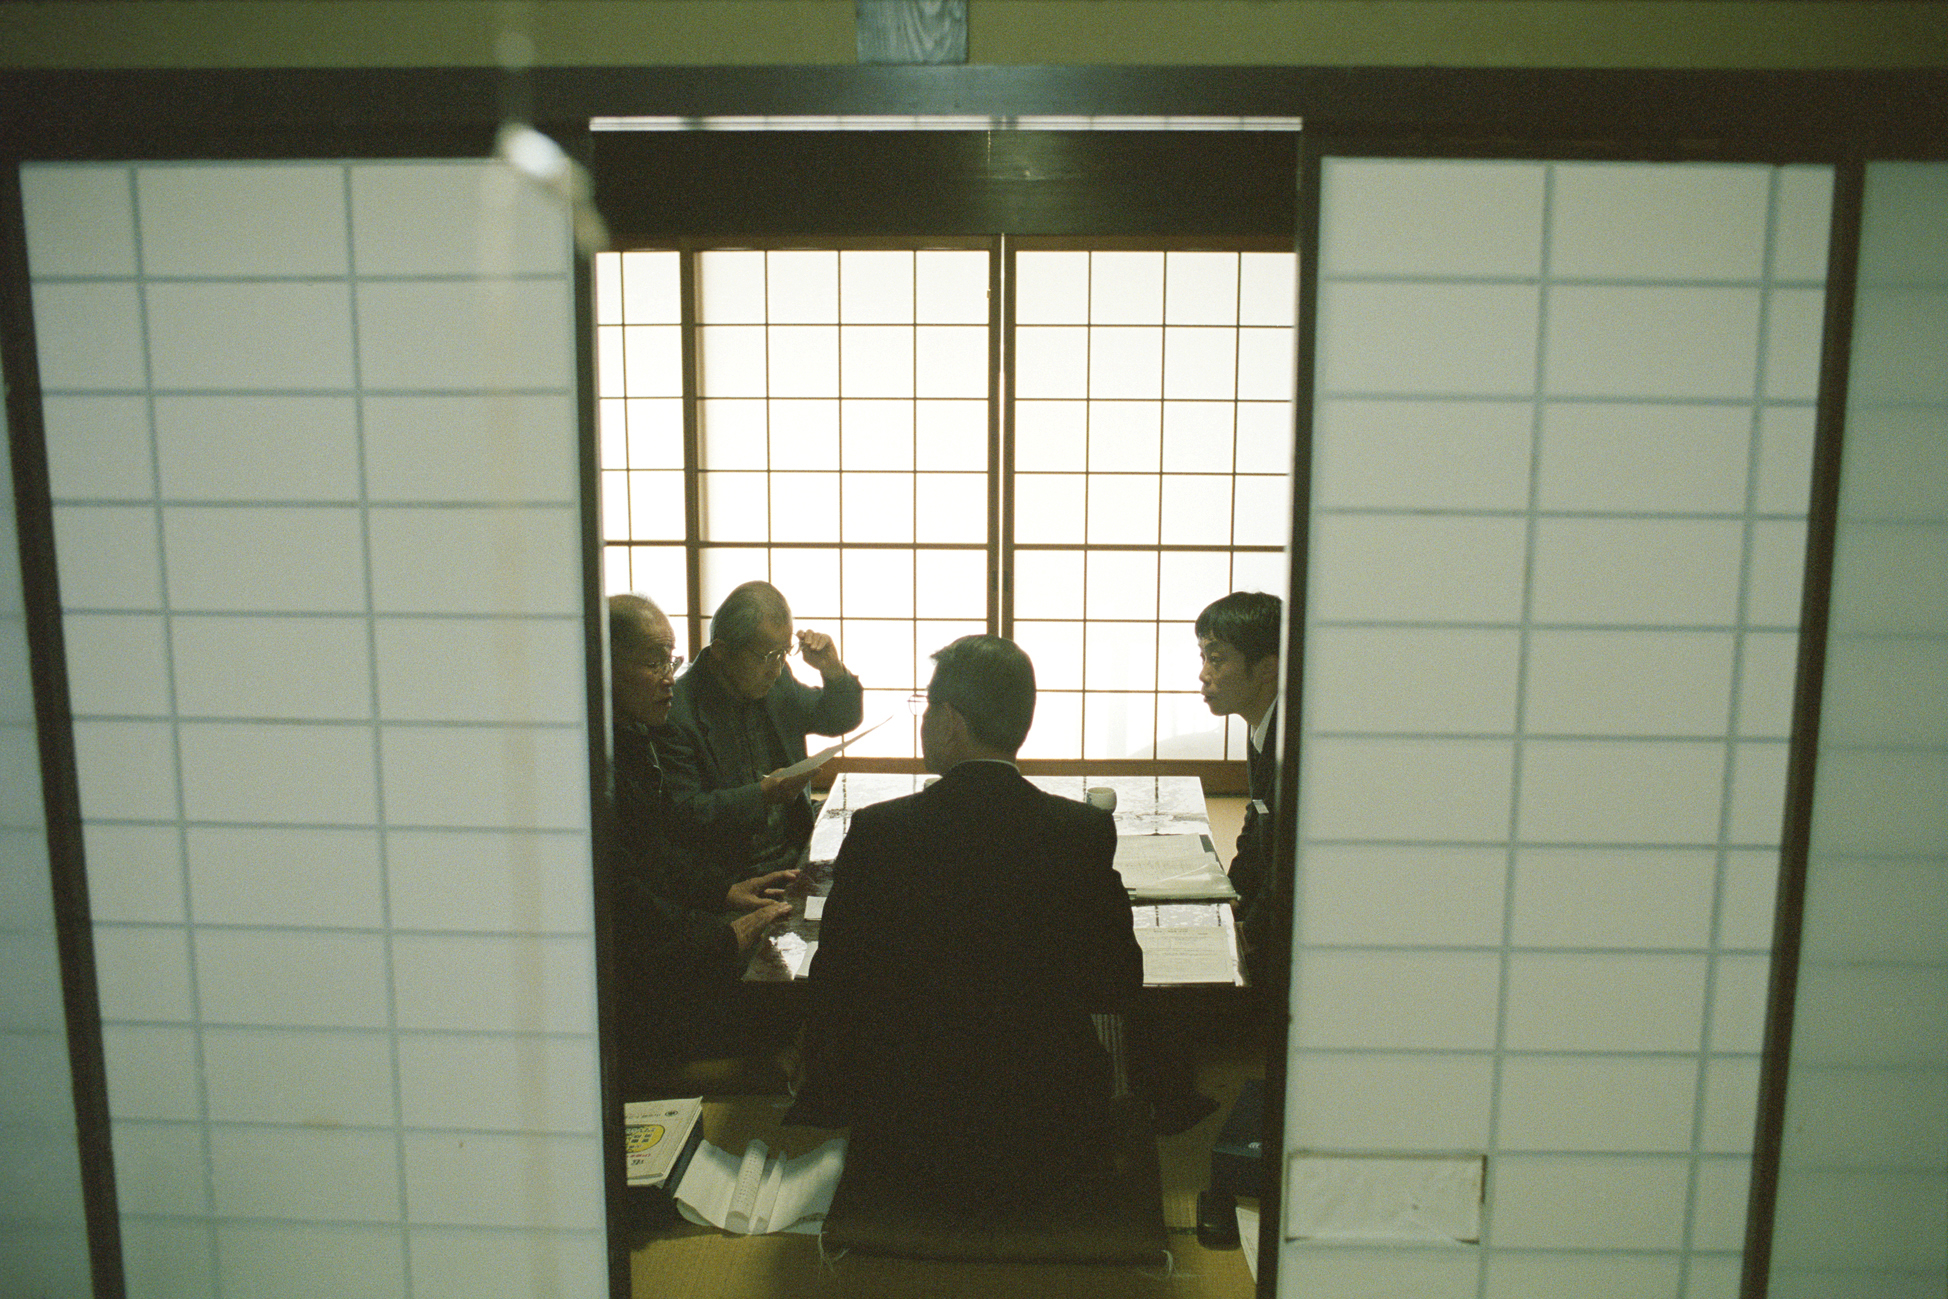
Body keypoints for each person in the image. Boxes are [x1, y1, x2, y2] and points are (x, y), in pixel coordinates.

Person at [787, 635, 1144, 1210]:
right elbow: (1119, 981)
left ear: (950, 720)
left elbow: (835, 980)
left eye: (928, 707)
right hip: (1049, 1121)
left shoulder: (882, 831)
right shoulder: (1080, 831)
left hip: (909, 1122)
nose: (925, 721)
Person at [606, 593, 798, 1066]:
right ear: (600, 664)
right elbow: (626, 894)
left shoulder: (631, 733)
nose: (669, 678)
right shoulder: (597, 755)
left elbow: (654, 851)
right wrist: (723, 933)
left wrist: (728, 892)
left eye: (670, 660)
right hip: (635, 971)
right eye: (653, 663)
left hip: (683, 916)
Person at [658, 581, 863, 899]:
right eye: (768, 655)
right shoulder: (677, 710)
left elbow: (839, 719)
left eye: (784, 652)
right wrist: (762, 795)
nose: (778, 667)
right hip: (730, 878)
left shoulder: (778, 681)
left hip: (794, 854)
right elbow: (686, 815)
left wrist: (832, 670)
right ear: (723, 652)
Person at [1195, 590, 1284, 984]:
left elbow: (1289, 862)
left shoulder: (1293, 740)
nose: (1204, 674)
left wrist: (1250, 929)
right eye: (1203, 658)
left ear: (1267, 668)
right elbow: (1257, 822)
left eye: (1217, 658)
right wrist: (1231, 901)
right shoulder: (1261, 722)